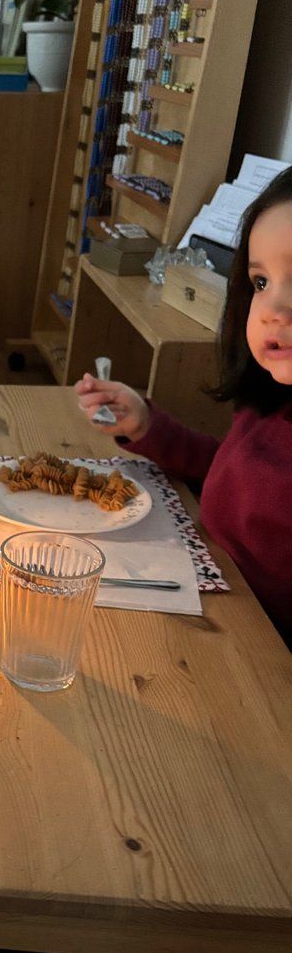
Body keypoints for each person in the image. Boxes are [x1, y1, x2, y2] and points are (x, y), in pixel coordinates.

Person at [75, 166, 292, 645]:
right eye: (260, 282)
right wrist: (149, 426)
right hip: (200, 612)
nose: (274, 307)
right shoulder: (270, 408)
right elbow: (235, 476)